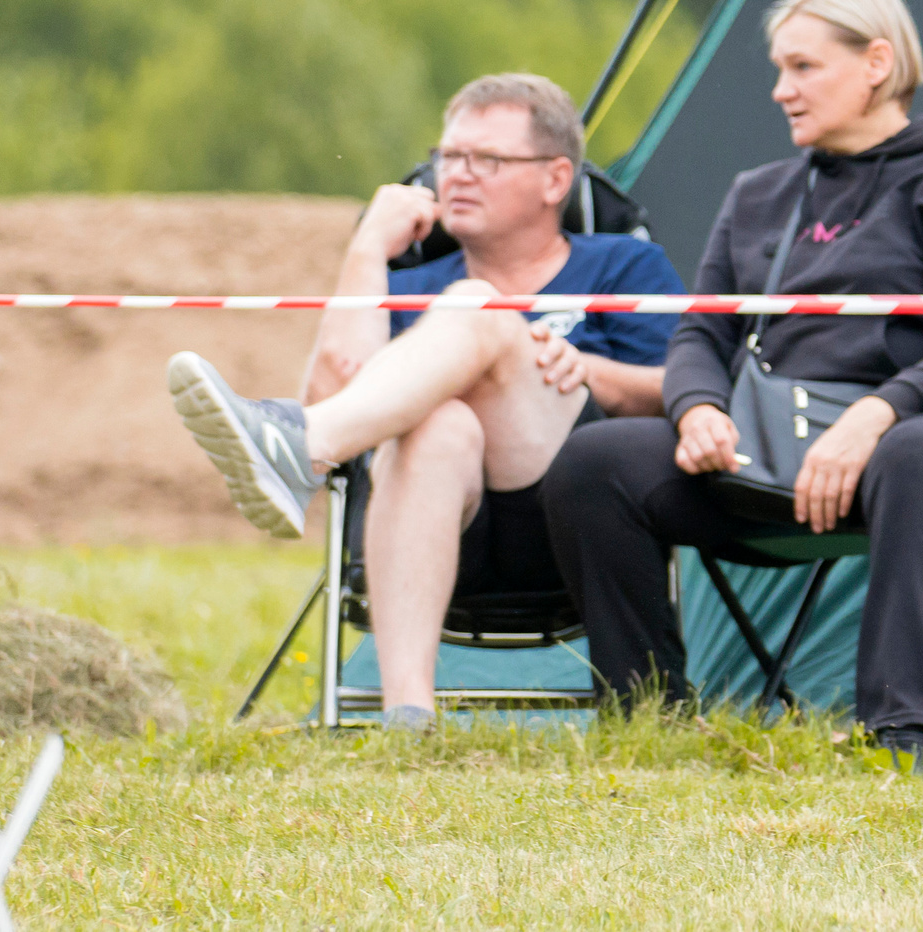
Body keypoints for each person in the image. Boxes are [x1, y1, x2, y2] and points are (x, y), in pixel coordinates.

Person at [544, 0, 923, 770]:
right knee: (594, 460)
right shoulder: (758, 193)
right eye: (779, 68)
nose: (780, 89)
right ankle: (644, 722)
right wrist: (697, 408)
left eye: (803, 67)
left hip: (904, 448)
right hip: (759, 455)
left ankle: (900, 736)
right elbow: (701, 332)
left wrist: (874, 419)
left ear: (877, 63)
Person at [167, 73, 684, 726]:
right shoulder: (412, 279)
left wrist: (588, 369)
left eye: (487, 159)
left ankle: (301, 447)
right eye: (448, 157)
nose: (457, 175)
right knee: (440, 423)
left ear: (556, 179)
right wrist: (366, 250)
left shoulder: (620, 265)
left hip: (570, 524)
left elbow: (682, 388)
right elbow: (333, 388)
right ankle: (408, 715)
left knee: (474, 306)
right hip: (427, 525)